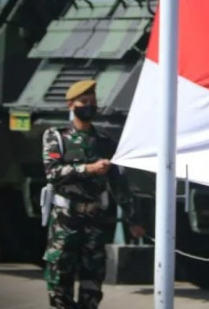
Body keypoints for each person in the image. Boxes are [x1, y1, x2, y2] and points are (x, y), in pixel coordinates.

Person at [41, 79, 145, 309]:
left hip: (94, 221)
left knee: (92, 283)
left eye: (93, 102)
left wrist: (133, 219)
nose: (89, 106)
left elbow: (119, 184)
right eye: (83, 101)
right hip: (65, 220)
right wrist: (87, 169)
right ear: (71, 105)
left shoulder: (104, 142)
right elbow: (53, 173)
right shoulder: (56, 137)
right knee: (60, 281)